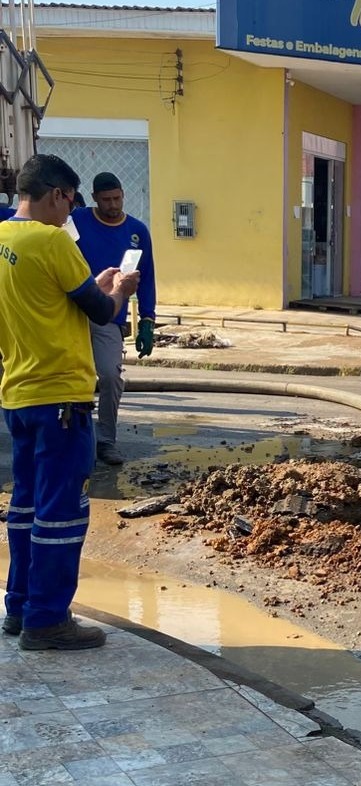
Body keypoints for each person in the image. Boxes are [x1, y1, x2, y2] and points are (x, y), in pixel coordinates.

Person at [0, 153, 139, 650]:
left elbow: (55, 301)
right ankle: (48, 620)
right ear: (57, 194)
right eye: (71, 201)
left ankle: (19, 608)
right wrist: (120, 289)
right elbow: (102, 311)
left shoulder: (3, 238)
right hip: (62, 397)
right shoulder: (51, 239)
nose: (72, 212)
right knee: (61, 513)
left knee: (26, 506)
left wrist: (97, 287)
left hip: (18, 394)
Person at [71, 172, 156, 465]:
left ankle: (106, 441)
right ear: (94, 198)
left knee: (109, 375)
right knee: (70, 379)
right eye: (106, 200)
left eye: (117, 198)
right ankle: (71, 440)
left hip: (108, 317)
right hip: (72, 315)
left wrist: (147, 319)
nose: (113, 204)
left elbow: (147, 278)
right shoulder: (78, 221)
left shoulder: (136, 231)